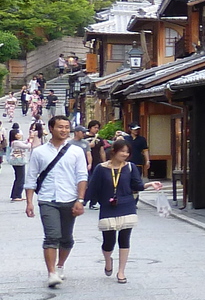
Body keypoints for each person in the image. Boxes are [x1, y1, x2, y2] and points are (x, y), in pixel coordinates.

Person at [24, 114, 90, 289]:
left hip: (69, 198)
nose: (64, 130)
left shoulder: (76, 151)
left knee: (67, 238)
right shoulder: (39, 152)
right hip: (47, 199)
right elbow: (31, 177)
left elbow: (82, 176)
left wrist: (80, 200)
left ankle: (60, 265)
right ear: (51, 128)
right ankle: (51, 272)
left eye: (67, 127)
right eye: (60, 127)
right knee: (52, 237)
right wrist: (29, 202)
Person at [85, 139, 160, 284]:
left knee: (124, 239)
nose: (125, 154)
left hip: (127, 205)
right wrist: (81, 202)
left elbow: (137, 185)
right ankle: (108, 260)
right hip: (108, 206)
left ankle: (121, 271)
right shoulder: (101, 168)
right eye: (122, 151)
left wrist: (150, 184)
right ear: (114, 151)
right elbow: (92, 188)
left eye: (127, 152)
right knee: (109, 241)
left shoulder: (130, 167)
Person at [8, 130, 28, 201]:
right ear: (15, 135)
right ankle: (16, 195)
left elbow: (24, 142)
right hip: (18, 162)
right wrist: (31, 141)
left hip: (17, 162)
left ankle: (17, 195)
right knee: (20, 178)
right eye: (18, 133)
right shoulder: (16, 142)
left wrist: (29, 139)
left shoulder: (15, 142)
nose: (20, 135)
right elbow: (27, 146)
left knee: (19, 178)